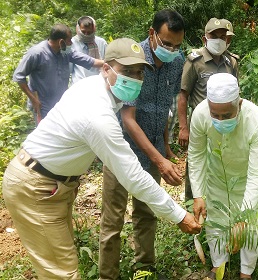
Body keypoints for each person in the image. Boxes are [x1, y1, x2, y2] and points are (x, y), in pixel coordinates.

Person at [2, 38, 200, 280]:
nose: (135, 78)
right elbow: (133, 177)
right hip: (36, 187)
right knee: (63, 273)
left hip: (51, 185)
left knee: (60, 263)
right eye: (127, 71)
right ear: (106, 68)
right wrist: (179, 215)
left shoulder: (92, 89)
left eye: (139, 72)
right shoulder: (97, 115)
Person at [99, 10, 185, 280]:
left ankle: (144, 269)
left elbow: (165, 109)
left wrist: (165, 149)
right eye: (167, 42)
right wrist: (161, 160)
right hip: (121, 151)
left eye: (177, 45)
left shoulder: (177, 62)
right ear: (152, 34)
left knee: (147, 211)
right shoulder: (134, 62)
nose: (172, 50)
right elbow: (128, 118)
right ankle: (107, 275)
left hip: (155, 149)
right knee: (113, 219)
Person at [189, 73, 258, 280]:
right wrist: (198, 194)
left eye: (227, 115)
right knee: (216, 218)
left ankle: (246, 272)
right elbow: (196, 155)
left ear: (239, 104)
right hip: (218, 177)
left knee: (252, 225)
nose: (220, 120)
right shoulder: (200, 114)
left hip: (249, 179)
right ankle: (219, 264)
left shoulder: (256, 119)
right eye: (215, 115)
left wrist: (243, 219)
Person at [177, 17, 238, 200]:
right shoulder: (196, 61)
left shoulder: (231, 62)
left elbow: (236, 94)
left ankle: (218, 200)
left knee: (222, 160)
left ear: (228, 40)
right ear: (205, 38)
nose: (219, 40)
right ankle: (192, 201)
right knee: (197, 162)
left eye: (223, 36)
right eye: (215, 36)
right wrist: (183, 128)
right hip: (200, 123)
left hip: (225, 122)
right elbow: (183, 95)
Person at [13, 23, 104, 123]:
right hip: (42, 105)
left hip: (60, 104)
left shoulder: (65, 52)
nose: (71, 43)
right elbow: (19, 76)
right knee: (45, 135)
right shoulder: (37, 53)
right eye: (69, 40)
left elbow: (88, 60)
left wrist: (109, 64)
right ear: (61, 42)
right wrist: (33, 99)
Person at [70, 16, 108, 84]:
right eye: (83, 32)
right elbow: (69, 68)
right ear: (78, 29)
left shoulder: (101, 43)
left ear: (93, 29)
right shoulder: (72, 43)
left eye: (89, 32)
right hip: (79, 84)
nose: (86, 35)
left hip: (98, 83)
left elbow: (107, 64)